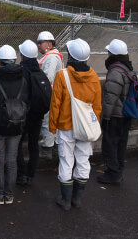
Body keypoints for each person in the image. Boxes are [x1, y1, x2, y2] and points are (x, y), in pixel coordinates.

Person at [49, 38, 102, 211]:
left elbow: (55, 104)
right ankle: (77, 199)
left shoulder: (62, 75)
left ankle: (65, 200)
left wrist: (52, 127)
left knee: (66, 161)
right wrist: (93, 125)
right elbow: (97, 106)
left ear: (71, 56)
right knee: (83, 161)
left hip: (66, 127)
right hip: (85, 128)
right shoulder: (94, 76)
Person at [0, 45, 27, 205]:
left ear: (0, 61)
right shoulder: (23, 80)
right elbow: (26, 102)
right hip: (17, 125)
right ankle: (9, 195)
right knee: (11, 160)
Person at [16, 39, 51, 187]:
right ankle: (30, 175)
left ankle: (21, 174)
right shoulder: (39, 71)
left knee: (17, 144)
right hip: (37, 115)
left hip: (24, 116)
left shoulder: (21, 72)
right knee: (33, 145)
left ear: (22, 55)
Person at [99, 39, 134, 185]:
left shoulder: (115, 71)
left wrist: (104, 117)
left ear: (112, 54)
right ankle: (118, 171)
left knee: (110, 144)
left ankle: (112, 173)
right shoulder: (128, 69)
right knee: (121, 144)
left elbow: (110, 98)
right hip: (126, 114)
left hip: (115, 115)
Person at [37, 31, 64, 159]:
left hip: (49, 94)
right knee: (51, 121)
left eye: (40, 42)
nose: (38, 45)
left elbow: (48, 77)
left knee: (47, 121)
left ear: (49, 43)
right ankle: (53, 147)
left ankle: (47, 148)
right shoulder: (50, 55)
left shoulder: (52, 57)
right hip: (52, 94)